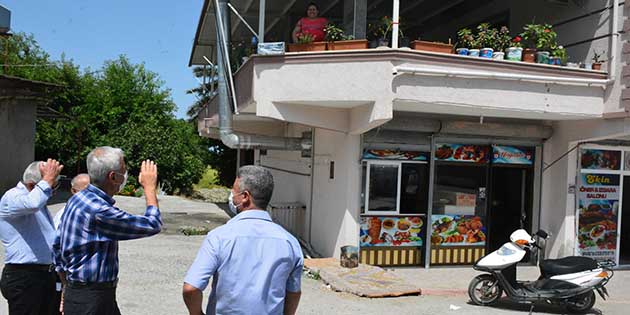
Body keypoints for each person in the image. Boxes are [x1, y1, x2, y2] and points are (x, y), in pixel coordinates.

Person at [53, 146, 162, 315]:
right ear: (113, 177)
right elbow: (152, 224)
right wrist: (149, 188)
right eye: (123, 172)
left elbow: (57, 248)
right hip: (92, 299)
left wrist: (67, 290)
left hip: (83, 295)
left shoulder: (78, 199)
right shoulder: (98, 211)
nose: (125, 176)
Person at [183, 165, 304, 315]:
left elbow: (191, 289)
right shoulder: (290, 243)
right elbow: (293, 292)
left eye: (233, 192)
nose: (231, 196)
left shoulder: (219, 237)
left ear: (245, 196)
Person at [0, 159, 64, 315]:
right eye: (52, 187)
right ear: (32, 185)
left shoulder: (37, 199)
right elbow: (32, 203)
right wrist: (47, 179)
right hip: (24, 277)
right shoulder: (13, 196)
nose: (51, 191)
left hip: (44, 276)